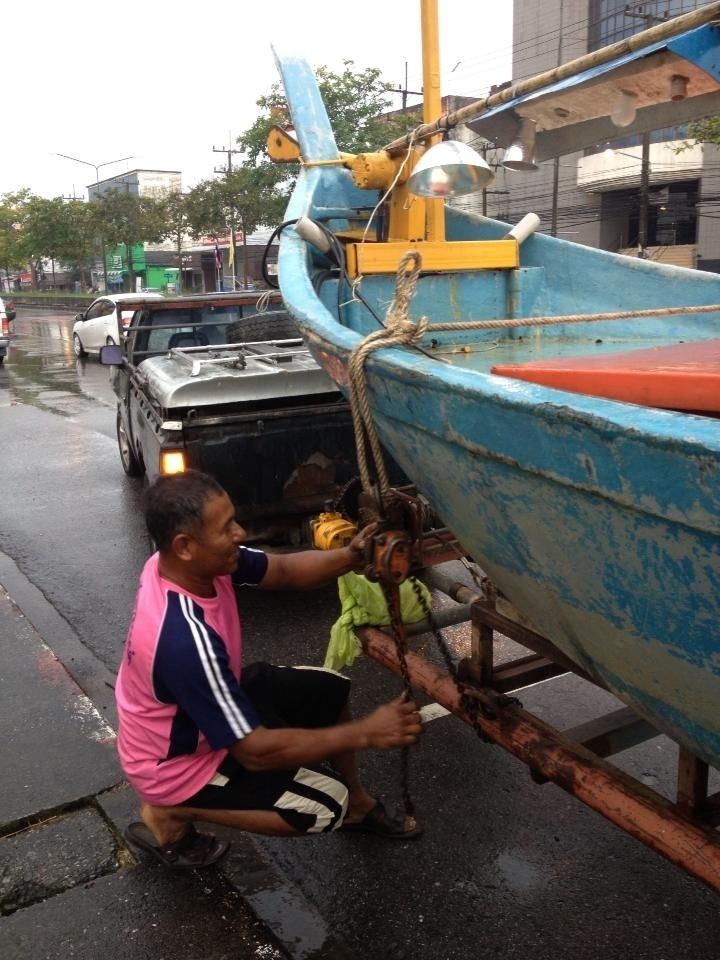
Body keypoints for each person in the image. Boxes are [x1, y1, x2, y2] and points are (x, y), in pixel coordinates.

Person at [116, 470, 424, 870]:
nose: (240, 533)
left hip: (201, 709)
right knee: (324, 806)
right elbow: (255, 752)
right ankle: (172, 810)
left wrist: (352, 556)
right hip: (176, 759)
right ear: (185, 546)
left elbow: (284, 572)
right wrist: (367, 732)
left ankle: (360, 809)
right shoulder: (184, 640)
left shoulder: (185, 563)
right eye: (226, 528)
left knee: (330, 691)